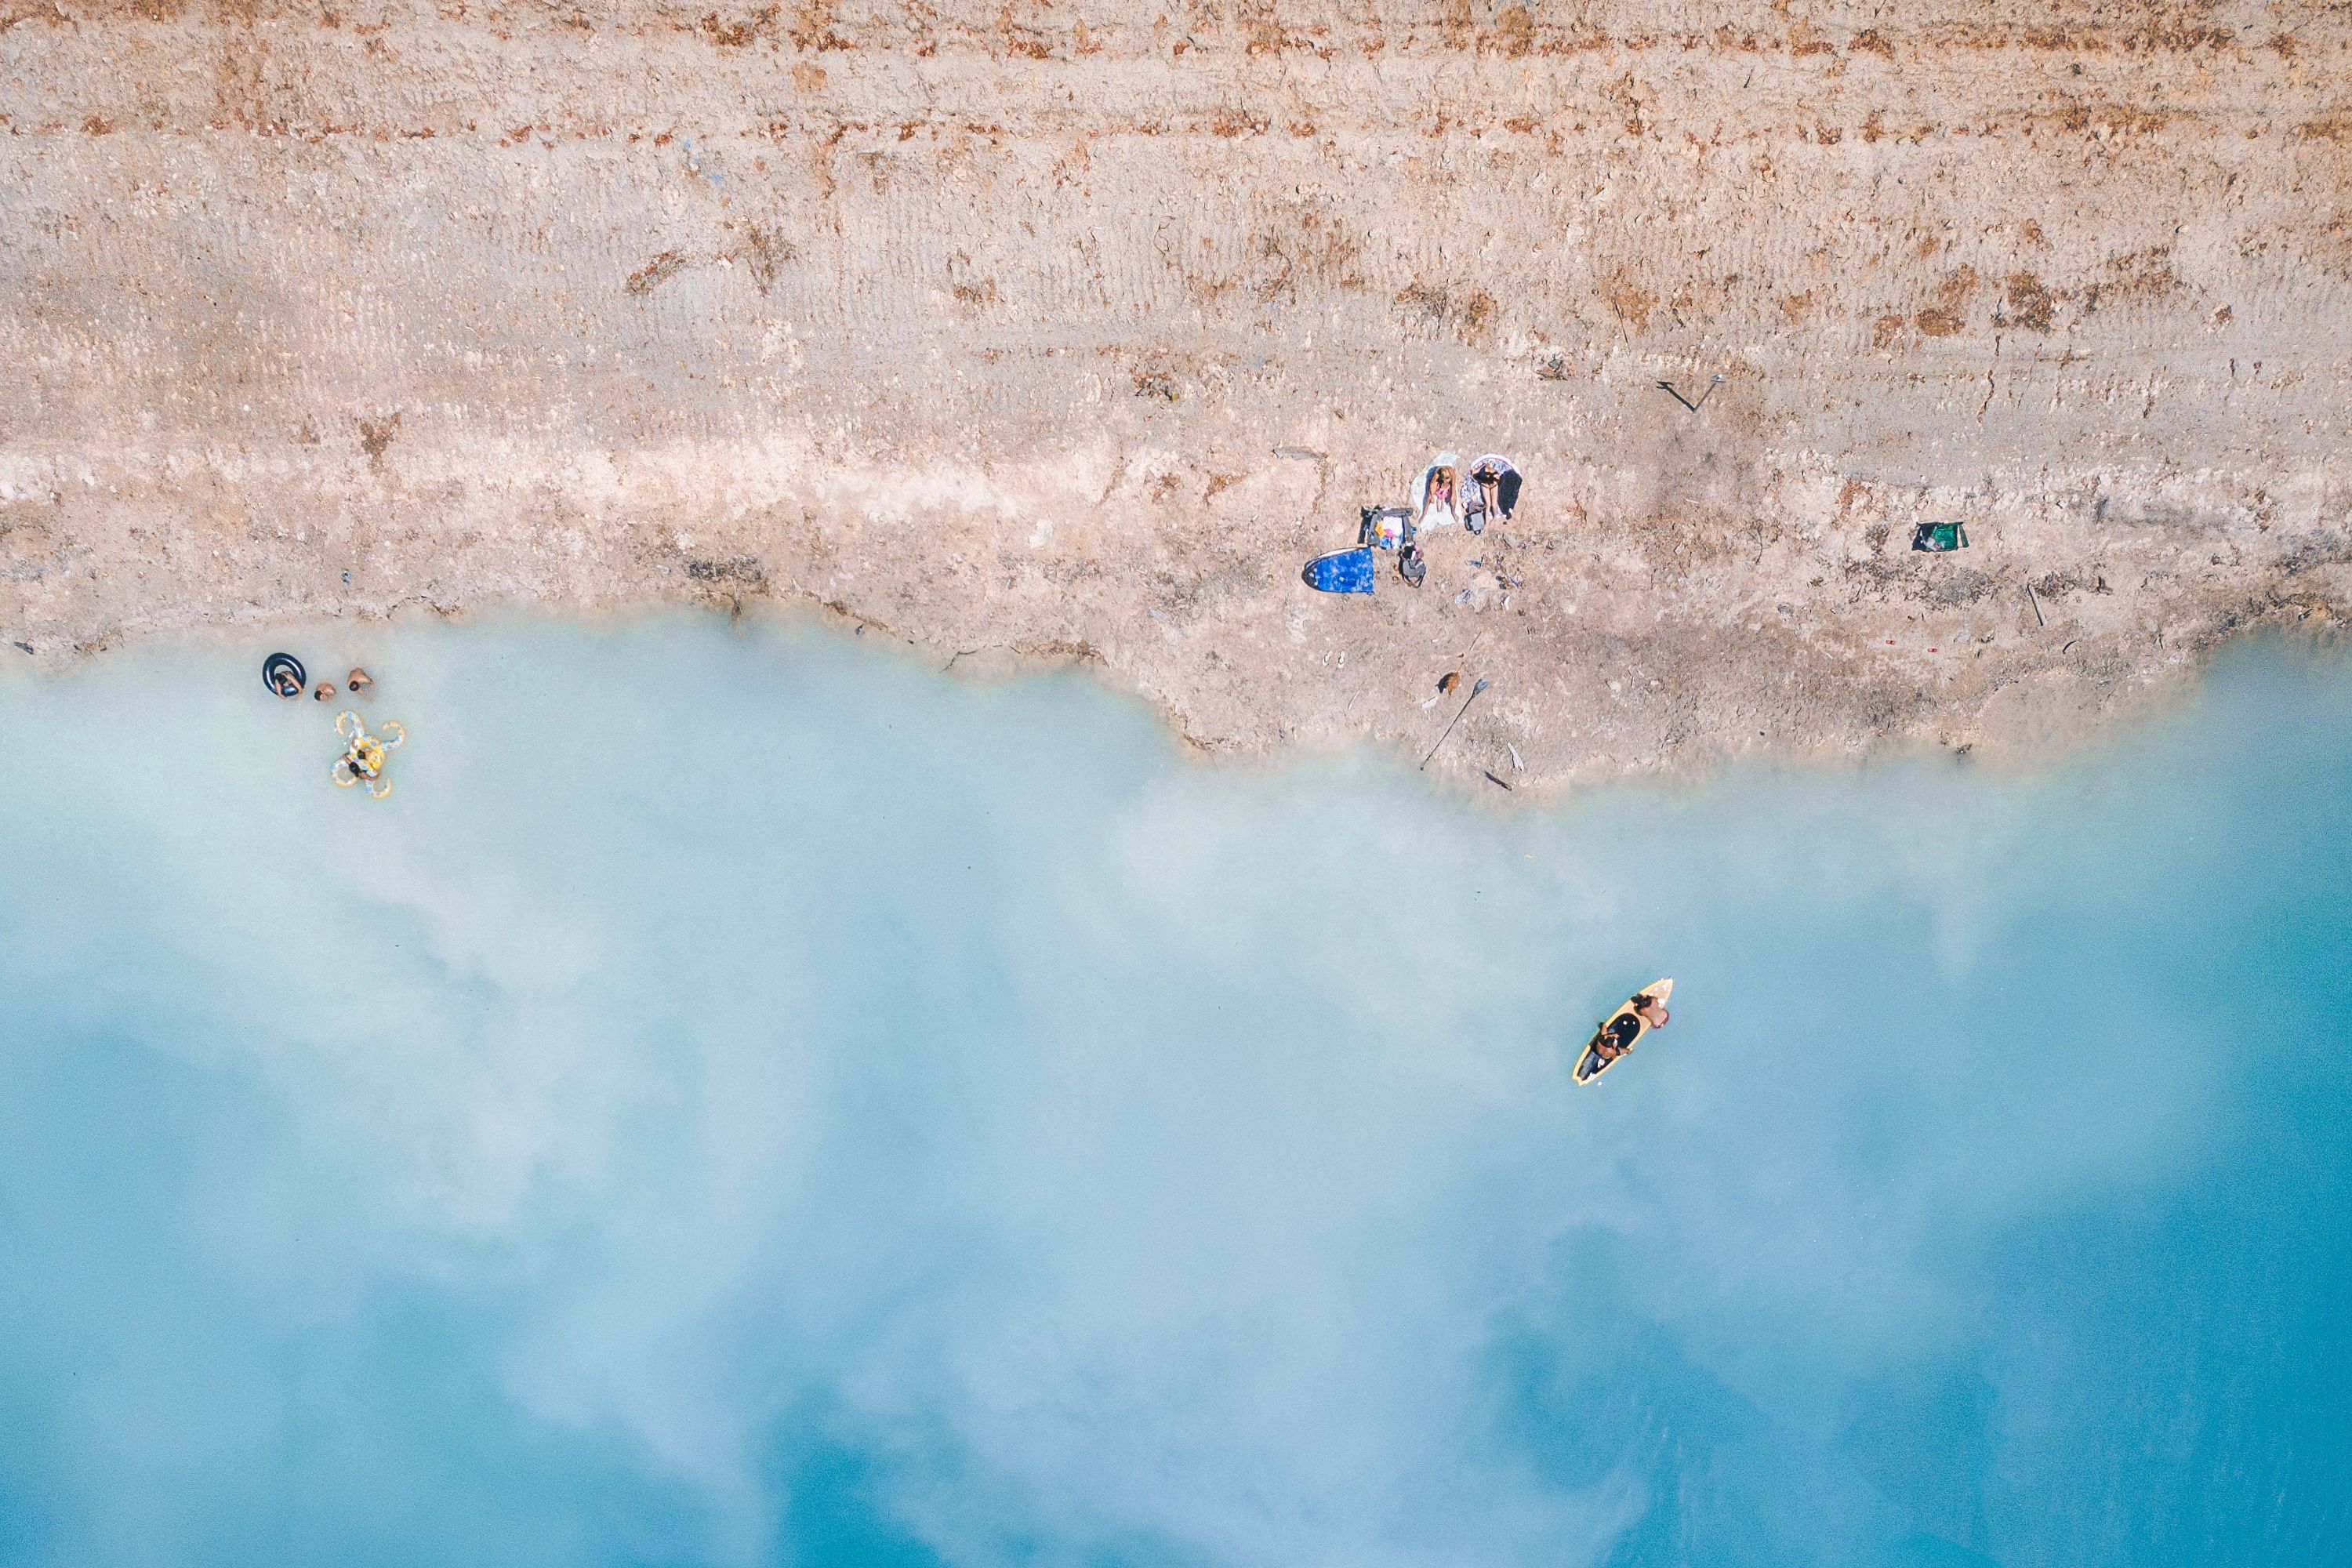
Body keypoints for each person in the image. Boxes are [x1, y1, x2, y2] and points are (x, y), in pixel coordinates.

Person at [1461, 455, 1522, 535]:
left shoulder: (1494, 475)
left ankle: (1494, 517)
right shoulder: (1482, 476)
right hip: (1485, 486)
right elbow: (1477, 471)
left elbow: (1489, 469)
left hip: (1494, 485)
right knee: (1488, 504)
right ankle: (1487, 523)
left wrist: (1490, 486)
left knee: (1494, 504)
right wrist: (1476, 471)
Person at [1414, 452, 1461, 535]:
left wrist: (1453, 495)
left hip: (1447, 485)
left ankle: (1453, 512)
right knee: (1428, 497)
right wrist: (1432, 496)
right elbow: (1432, 485)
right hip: (1437, 483)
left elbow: (1453, 486)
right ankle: (1424, 514)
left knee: (1454, 498)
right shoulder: (1437, 475)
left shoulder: (1452, 473)